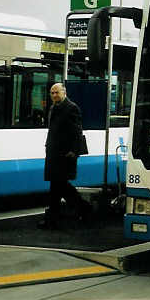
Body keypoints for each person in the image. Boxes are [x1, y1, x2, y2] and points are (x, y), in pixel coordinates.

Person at [39, 83, 90, 229]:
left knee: (58, 186)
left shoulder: (71, 108)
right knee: (59, 186)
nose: (54, 95)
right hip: (53, 153)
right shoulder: (53, 108)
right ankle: (82, 208)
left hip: (65, 155)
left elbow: (77, 132)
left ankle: (53, 218)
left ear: (64, 92)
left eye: (56, 92)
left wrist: (73, 152)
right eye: (52, 93)